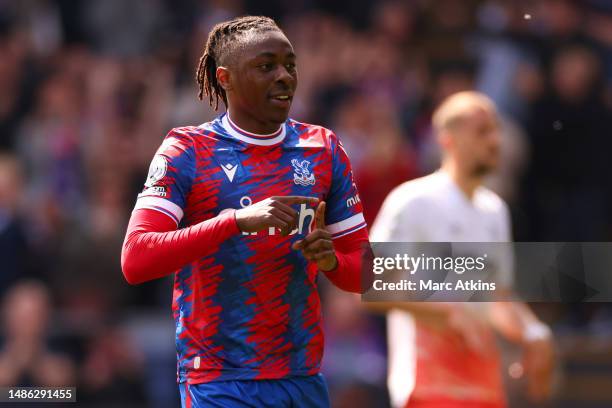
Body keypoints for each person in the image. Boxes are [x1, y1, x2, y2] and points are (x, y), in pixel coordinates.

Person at [120, 15, 369, 408]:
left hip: (301, 376)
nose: (284, 76)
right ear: (225, 78)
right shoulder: (186, 150)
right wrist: (233, 222)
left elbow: (365, 270)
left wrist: (331, 261)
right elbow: (136, 258)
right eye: (266, 66)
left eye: (290, 64)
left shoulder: (323, 148)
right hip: (220, 379)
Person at [370, 91, 554, 408]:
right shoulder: (413, 201)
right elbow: (372, 286)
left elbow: (498, 297)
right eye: (482, 131)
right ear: (447, 139)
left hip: (484, 385)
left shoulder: (494, 210)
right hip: (427, 383)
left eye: (495, 129)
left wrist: (533, 333)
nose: (495, 140)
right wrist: (445, 312)